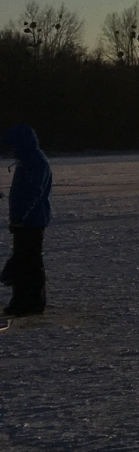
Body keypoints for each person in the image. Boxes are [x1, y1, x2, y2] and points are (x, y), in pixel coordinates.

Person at [4, 125, 52, 317]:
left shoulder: (35, 161)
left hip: (31, 220)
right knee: (22, 261)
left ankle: (32, 303)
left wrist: (20, 215)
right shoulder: (27, 160)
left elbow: (34, 191)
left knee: (29, 262)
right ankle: (21, 301)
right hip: (25, 220)